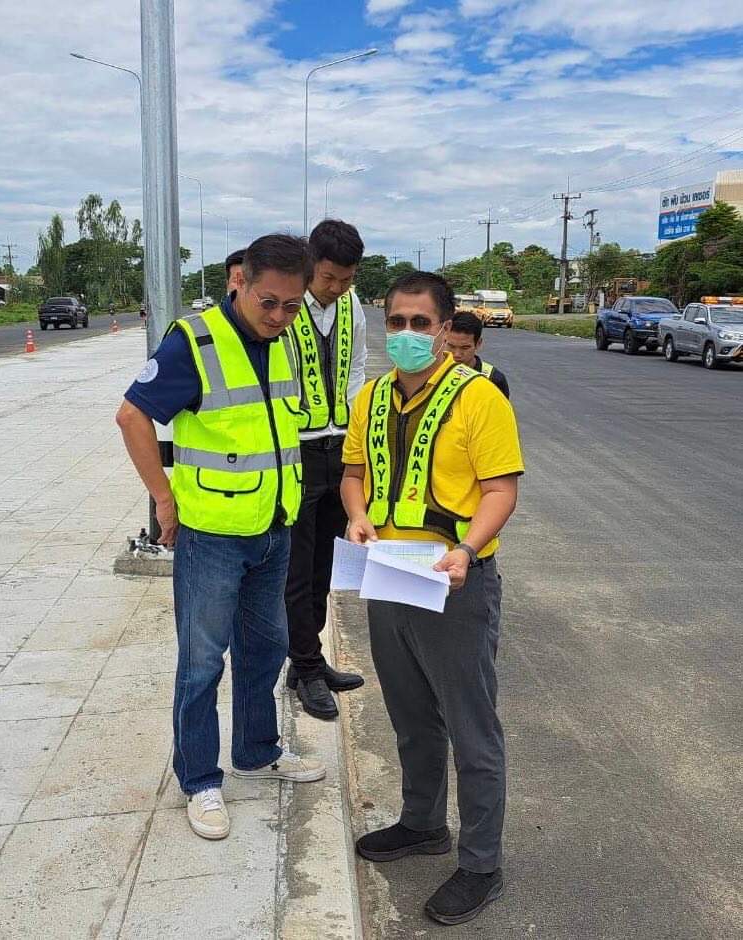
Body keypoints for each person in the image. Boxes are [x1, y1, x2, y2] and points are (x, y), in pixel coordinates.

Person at [116, 234, 326, 843]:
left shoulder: (287, 341)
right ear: (240, 282)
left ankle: (257, 752)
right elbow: (132, 415)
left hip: (272, 526)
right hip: (211, 535)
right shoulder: (195, 341)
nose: (280, 316)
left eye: (292, 305)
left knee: (267, 648)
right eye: (269, 302)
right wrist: (163, 498)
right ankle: (200, 779)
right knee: (202, 662)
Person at [341, 271, 524, 926]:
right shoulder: (371, 397)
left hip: (454, 579)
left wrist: (468, 549)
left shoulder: (479, 398)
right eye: (397, 322)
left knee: (471, 728)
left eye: (421, 323)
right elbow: (354, 473)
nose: (408, 334)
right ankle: (422, 823)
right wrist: (357, 515)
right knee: (411, 714)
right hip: (389, 573)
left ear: (446, 329)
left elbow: (501, 490)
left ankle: (481, 864)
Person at [284, 219, 367, 720]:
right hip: (297, 450)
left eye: (347, 279)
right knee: (296, 569)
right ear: (311, 264)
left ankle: (306, 660)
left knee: (326, 567)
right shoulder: (288, 304)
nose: (337, 287)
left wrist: (355, 433)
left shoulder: (352, 306)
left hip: (339, 449)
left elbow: (356, 367)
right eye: (330, 277)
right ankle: (307, 667)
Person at [446, 311, 510, 398]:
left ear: (478, 343)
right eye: (451, 346)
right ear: (444, 340)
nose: (457, 354)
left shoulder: (494, 379)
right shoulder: (433, 372)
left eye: (465, 348)